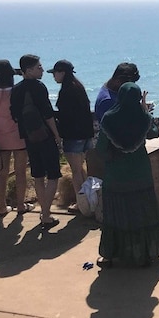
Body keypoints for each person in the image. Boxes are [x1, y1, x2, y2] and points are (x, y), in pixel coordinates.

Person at [95, 82, 159, 268]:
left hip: (116, 176)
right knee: (142, 212)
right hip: (140, 174)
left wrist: (113, 157)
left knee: (115, 215)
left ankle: (110, 255)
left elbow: (101, 149)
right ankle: (145, 254)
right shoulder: (143, 118)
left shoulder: (108, 119)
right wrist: (145, 110)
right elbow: (154, 133)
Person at [10, 54, 63, 230]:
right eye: (39, 67)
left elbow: (15, 115)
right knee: (54, 175)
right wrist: (56, 134)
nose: (42, 69)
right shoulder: (39, 87)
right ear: (29, 70)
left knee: (38, 175)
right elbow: (48, 114)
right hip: (45, 136)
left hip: (29, 137)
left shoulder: (16, 89)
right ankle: (45, 214)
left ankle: (45, 213)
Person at [0, 60, 32, 216]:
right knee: (20, 172)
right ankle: (20, 205)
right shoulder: (15, 91)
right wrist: (20, 72)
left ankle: (2, 207)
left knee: (2, 173)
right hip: (17, 135)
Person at [49, 60, 94, 207]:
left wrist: (51, 115)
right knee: (82, 170)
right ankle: (89, 199)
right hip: (86, 134)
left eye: (55, 73)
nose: (54, 76)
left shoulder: (66, 90)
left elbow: (66, 115)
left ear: (62, 72)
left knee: (76, 172)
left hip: (73, 136)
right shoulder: (78, 86)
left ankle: (81, 203)